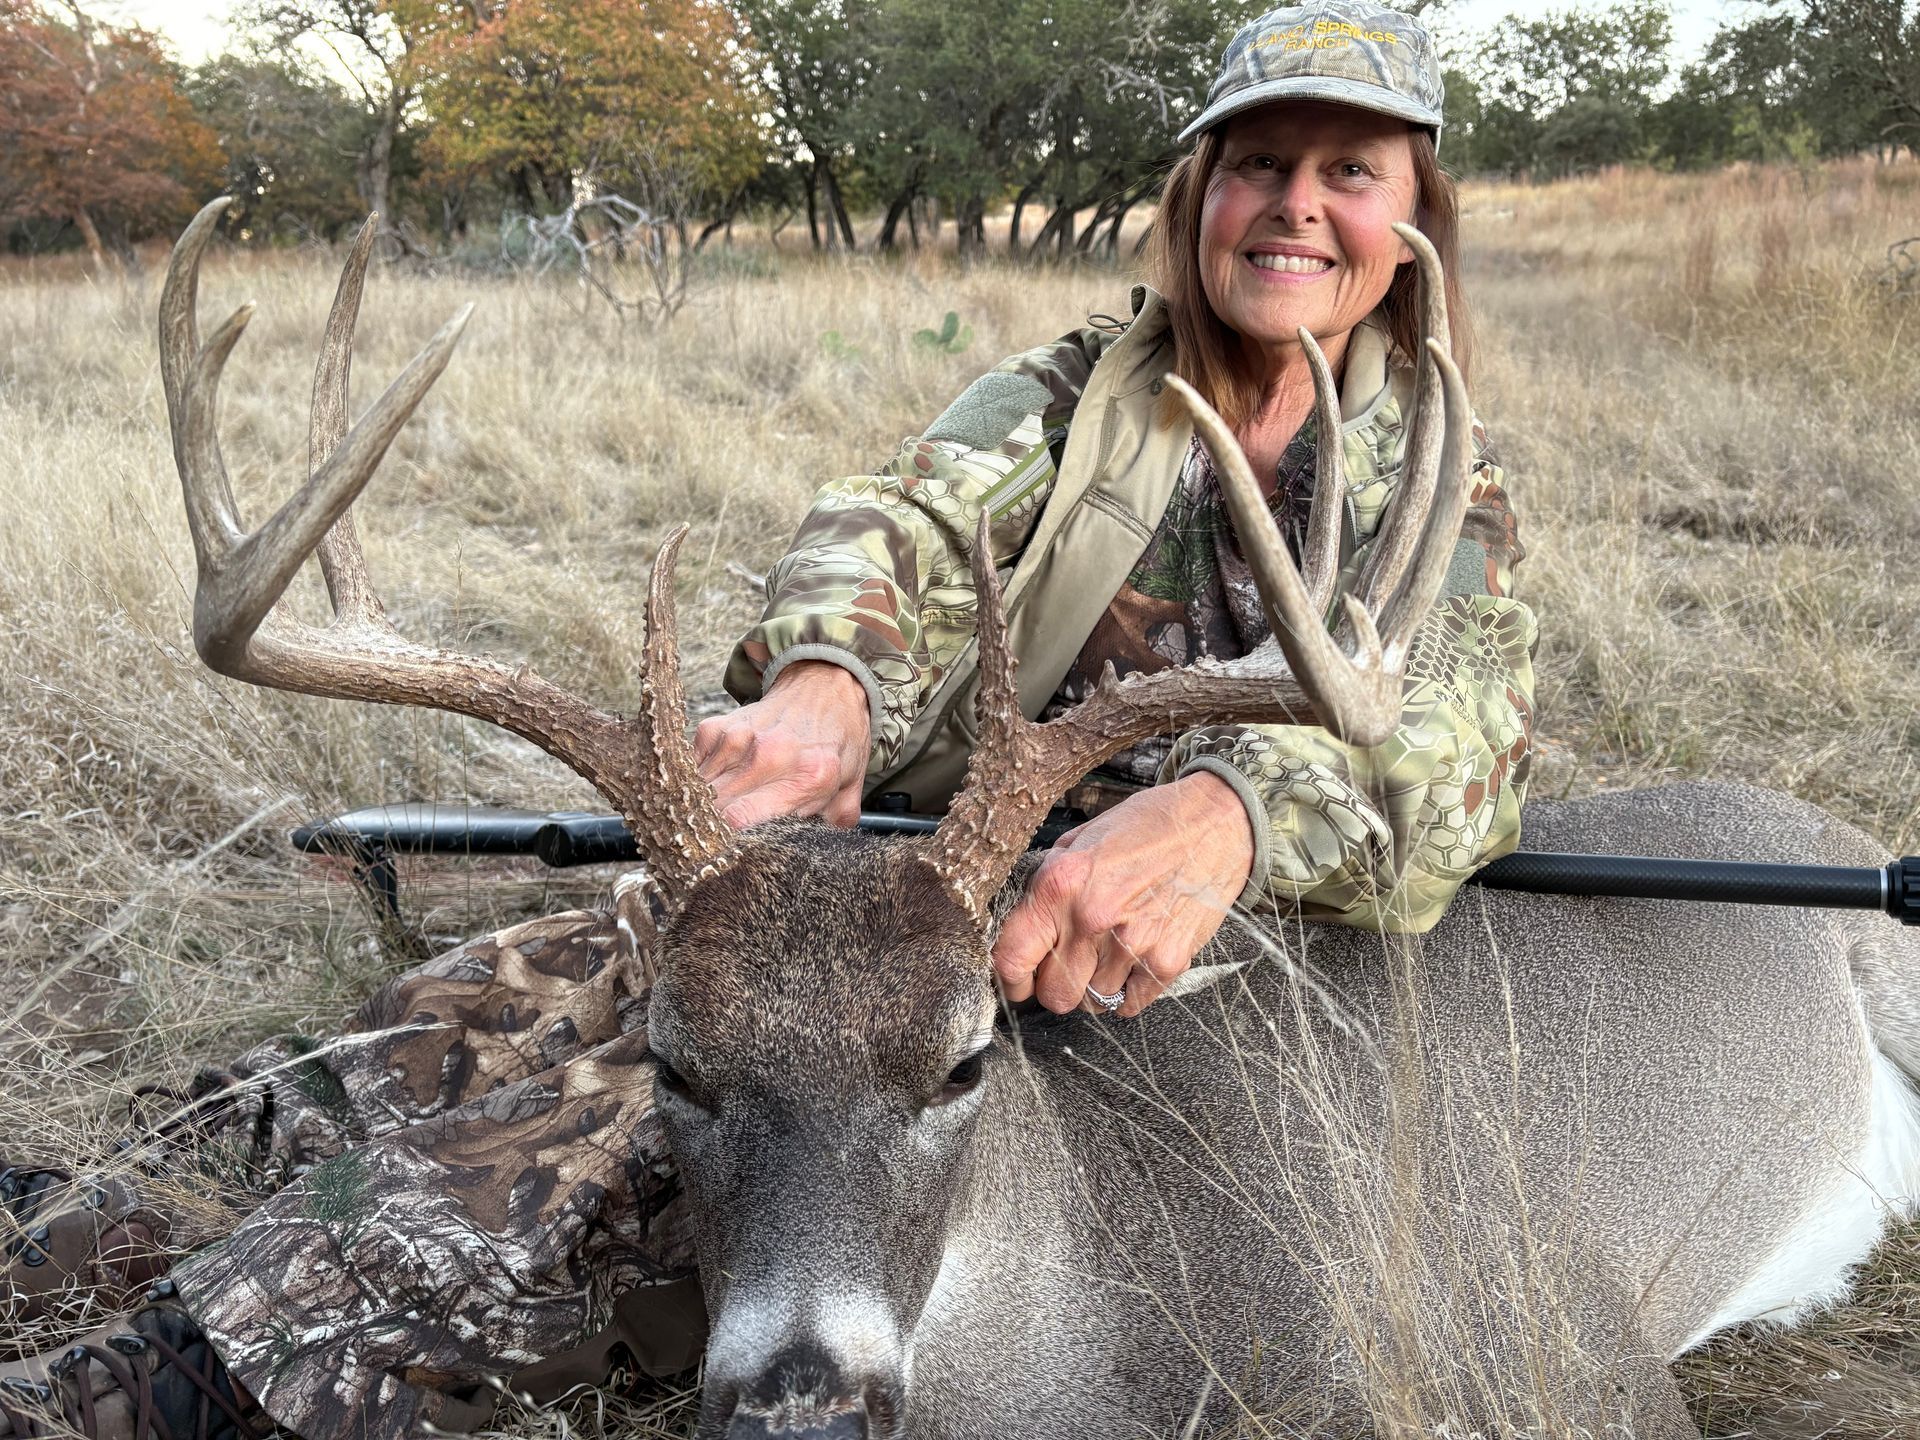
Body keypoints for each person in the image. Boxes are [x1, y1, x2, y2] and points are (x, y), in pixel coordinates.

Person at [0, 4, 1534, 1436]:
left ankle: (189, 1371)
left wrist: (1231, 816)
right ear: (1201, 189)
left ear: (1409, 228)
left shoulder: (1433, 491)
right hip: (931, 881)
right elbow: (906, 526)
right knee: (574, 966)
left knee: (637, 1127)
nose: (1294, 205)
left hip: (1155, 957)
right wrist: (828, 683)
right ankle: (144, 1178)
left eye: (1350, 171)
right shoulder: (1076, 395)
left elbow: (1463, 728)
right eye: (1259, 163)